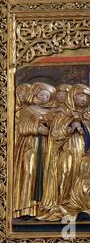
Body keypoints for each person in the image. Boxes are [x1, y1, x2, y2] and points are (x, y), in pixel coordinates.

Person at [38, 84, 90, 221]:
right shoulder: (63, 112)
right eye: (81, 95)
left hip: (84, 152)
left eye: (87, 97)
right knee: (65, 173)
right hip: (67, 150)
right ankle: (62, 203)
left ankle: (76, 204)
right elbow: (56, 133)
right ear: (73, 95)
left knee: (80, 176)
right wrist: (70, 127)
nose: (84, 99)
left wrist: (83, 126)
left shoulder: (88, 115)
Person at [13, 82, 56, 219]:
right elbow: (21, 127)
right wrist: (36, 128)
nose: (44, 97)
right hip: (29, 145)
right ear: (36, 94)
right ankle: (25, 207)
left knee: (44, 174)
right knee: (28, 172)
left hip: (46, 147)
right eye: (41, 94)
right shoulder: (27, 109)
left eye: (47, 96)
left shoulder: (52, 110)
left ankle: (41, 207)